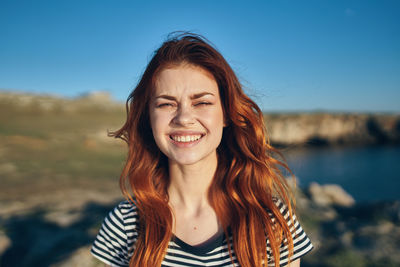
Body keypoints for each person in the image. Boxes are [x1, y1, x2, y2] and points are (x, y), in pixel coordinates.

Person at [91, 32, 313, 267]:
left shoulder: (271, 219)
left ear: (227, 114)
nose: (184, 118)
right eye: (166, 104)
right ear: (149, 118)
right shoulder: (126, 224)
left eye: (202, 102)